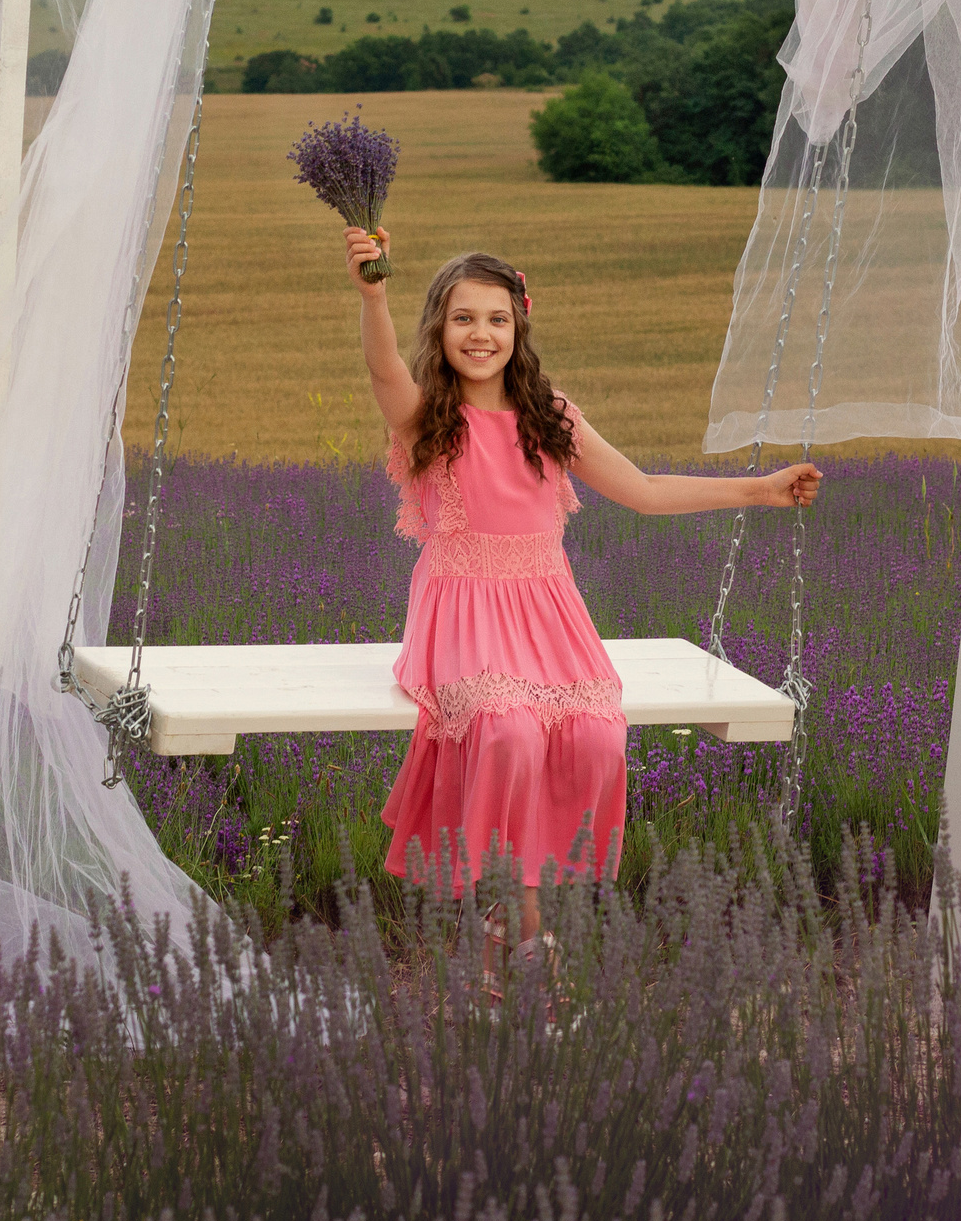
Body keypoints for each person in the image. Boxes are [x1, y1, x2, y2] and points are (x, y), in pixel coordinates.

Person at [341, 226, 821, 968]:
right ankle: (521, 927)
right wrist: (373, 296)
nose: (481, 333)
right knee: (508, 730)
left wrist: (759, 488)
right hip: (462, 609)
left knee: (596, 735)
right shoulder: (429, 419)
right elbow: (382, 375)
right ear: (438, 326)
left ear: (518, 326)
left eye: (497, 318)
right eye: (464, 317)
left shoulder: (548, 416)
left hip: (547, 611)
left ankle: (521, 909)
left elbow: (646, 490)